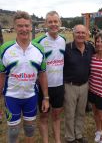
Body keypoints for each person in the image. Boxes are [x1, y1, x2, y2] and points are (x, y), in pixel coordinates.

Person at [0, 11, 49, 143]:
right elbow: (1, 76)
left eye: (26, 25)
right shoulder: (5, 49)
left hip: (31, 97)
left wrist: (46, 97)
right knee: (13, 131)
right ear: (14, 27)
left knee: (30, 130)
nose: (24, 29)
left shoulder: (39, 49)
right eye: (20, 26)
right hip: (12, 97)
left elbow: (43, 74)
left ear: (31, 26)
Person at [33, 11, 66, 143]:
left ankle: (57, 141)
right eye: (50, 22)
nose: (53, 24)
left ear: (60, 23)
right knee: (44, 116)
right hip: (43, 87)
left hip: (59, 85)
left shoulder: (63, 40)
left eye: (55, 21)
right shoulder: (38, 41)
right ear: (46, 23)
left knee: (57, 115)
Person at [64, 24, 94, 143]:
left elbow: (101, 53)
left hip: (85, 85)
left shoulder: (90, 47)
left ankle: (79, 135)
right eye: (78, 32)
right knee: (70, 114)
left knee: (81, 112)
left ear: (87, 35)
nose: (80, 35)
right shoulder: (66, 48)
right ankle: (70, 137)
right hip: (70, 85)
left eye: (83, 33)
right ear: (73, 34)